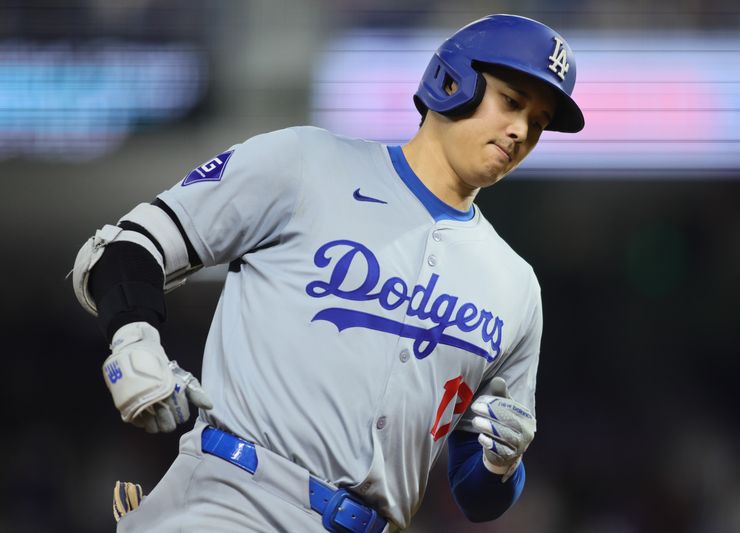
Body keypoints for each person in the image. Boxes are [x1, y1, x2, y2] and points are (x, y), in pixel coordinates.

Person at [72, 14, 584, 532]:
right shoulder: (307, 165)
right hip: (229, 504)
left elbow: (476, 496)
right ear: (453, 81)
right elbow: (129, 246)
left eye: (538, 124)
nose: (521, 131)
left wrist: (504, 465)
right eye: (512, 102)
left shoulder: (514, 286)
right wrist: (133, 341)